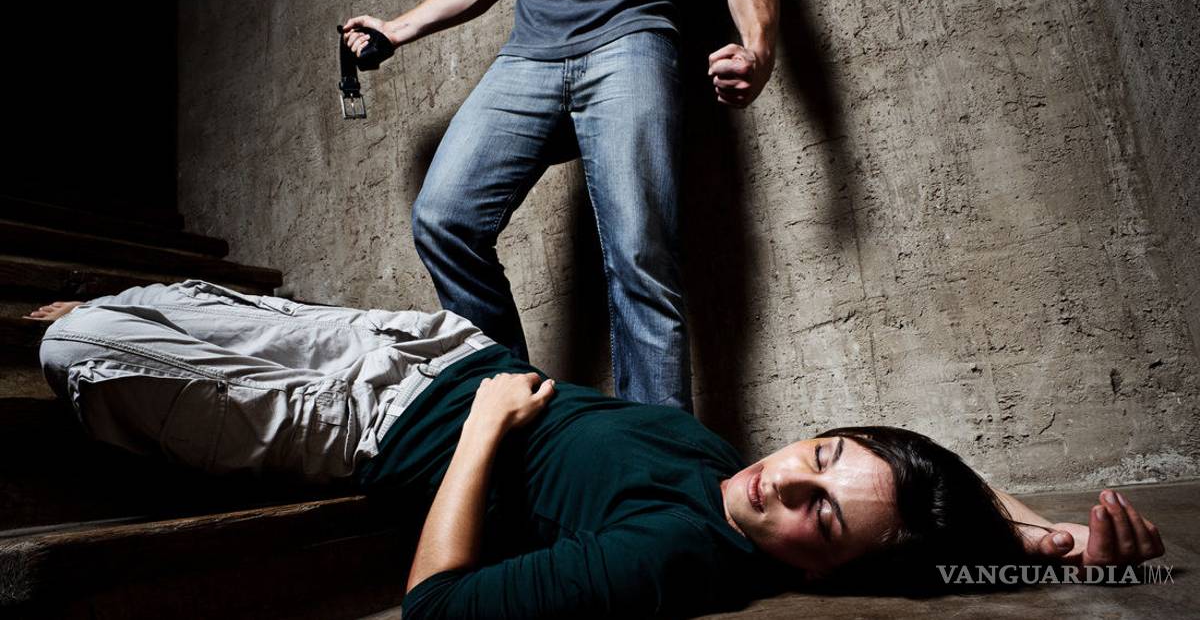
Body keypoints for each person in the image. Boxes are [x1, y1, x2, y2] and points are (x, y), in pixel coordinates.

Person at [31, 282, 1166, 618]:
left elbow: (437, 611)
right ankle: (117, 314)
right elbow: (932, 486)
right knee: (145, 306)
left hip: (365, 423)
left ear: (829, 571)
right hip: (428, 346)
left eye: (816, 515)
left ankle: (98, 334)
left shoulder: (673, 555)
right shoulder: (747, 482)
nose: (782, 478)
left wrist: (484, 431)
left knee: (74, 352)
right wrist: (1051, 543)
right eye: (818, 454)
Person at [341, 0, 780, 410]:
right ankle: (512, 414)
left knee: (639, 253)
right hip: (530, 55)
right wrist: (396, 29)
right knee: (443, 218)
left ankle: (655, 448)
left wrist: (759, 49)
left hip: (631, 38)